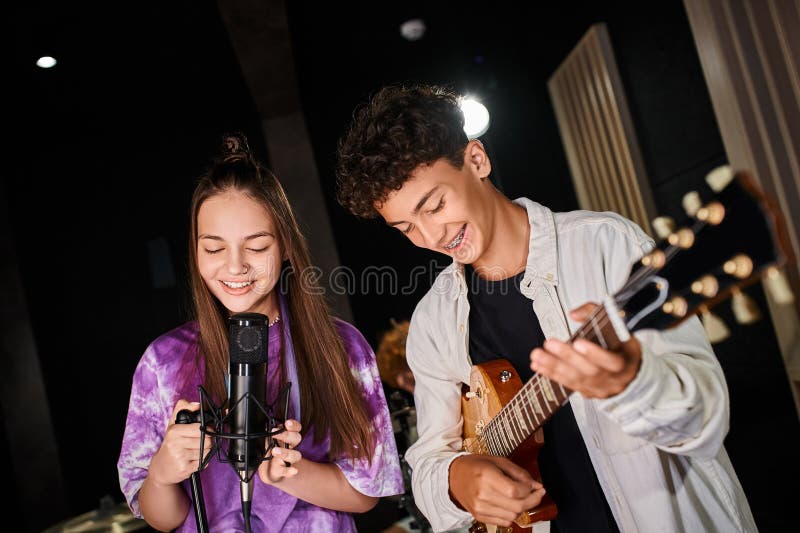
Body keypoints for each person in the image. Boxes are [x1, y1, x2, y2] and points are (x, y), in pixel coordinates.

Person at [335, 84, 757, 532]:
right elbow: (426, 463)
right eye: (406, 227)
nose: (431, 237)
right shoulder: (433, 322)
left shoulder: (605, 244)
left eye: (435, 205)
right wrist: (457, 479)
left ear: (476, 160)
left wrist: (633, 381)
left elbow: (707, 422)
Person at [117, 133, 403, 532]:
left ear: (285, 244)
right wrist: (163, 473)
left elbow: (367, 491)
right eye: (214, 249)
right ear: (195, 251)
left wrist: (292, 473)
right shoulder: (163, 362)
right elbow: (165, 519)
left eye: (256, 246)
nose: (235, 267)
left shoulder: (342, 347)